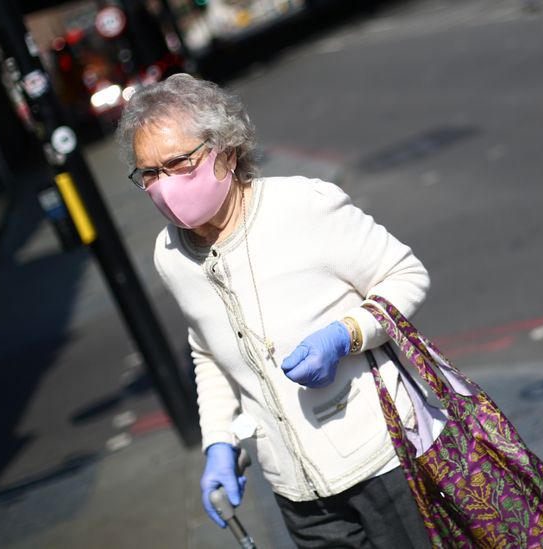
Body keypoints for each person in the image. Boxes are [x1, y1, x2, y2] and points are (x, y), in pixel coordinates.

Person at [116, 73, 431, 548]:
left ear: (225, 150)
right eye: (149, 174)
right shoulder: (171, 256)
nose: (163, 186)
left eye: (178, 164)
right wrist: (219, 442)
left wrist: (346, 333)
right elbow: (207, 349)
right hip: (298, 494)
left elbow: (407, 276)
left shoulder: (303, 205)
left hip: (384, 461)